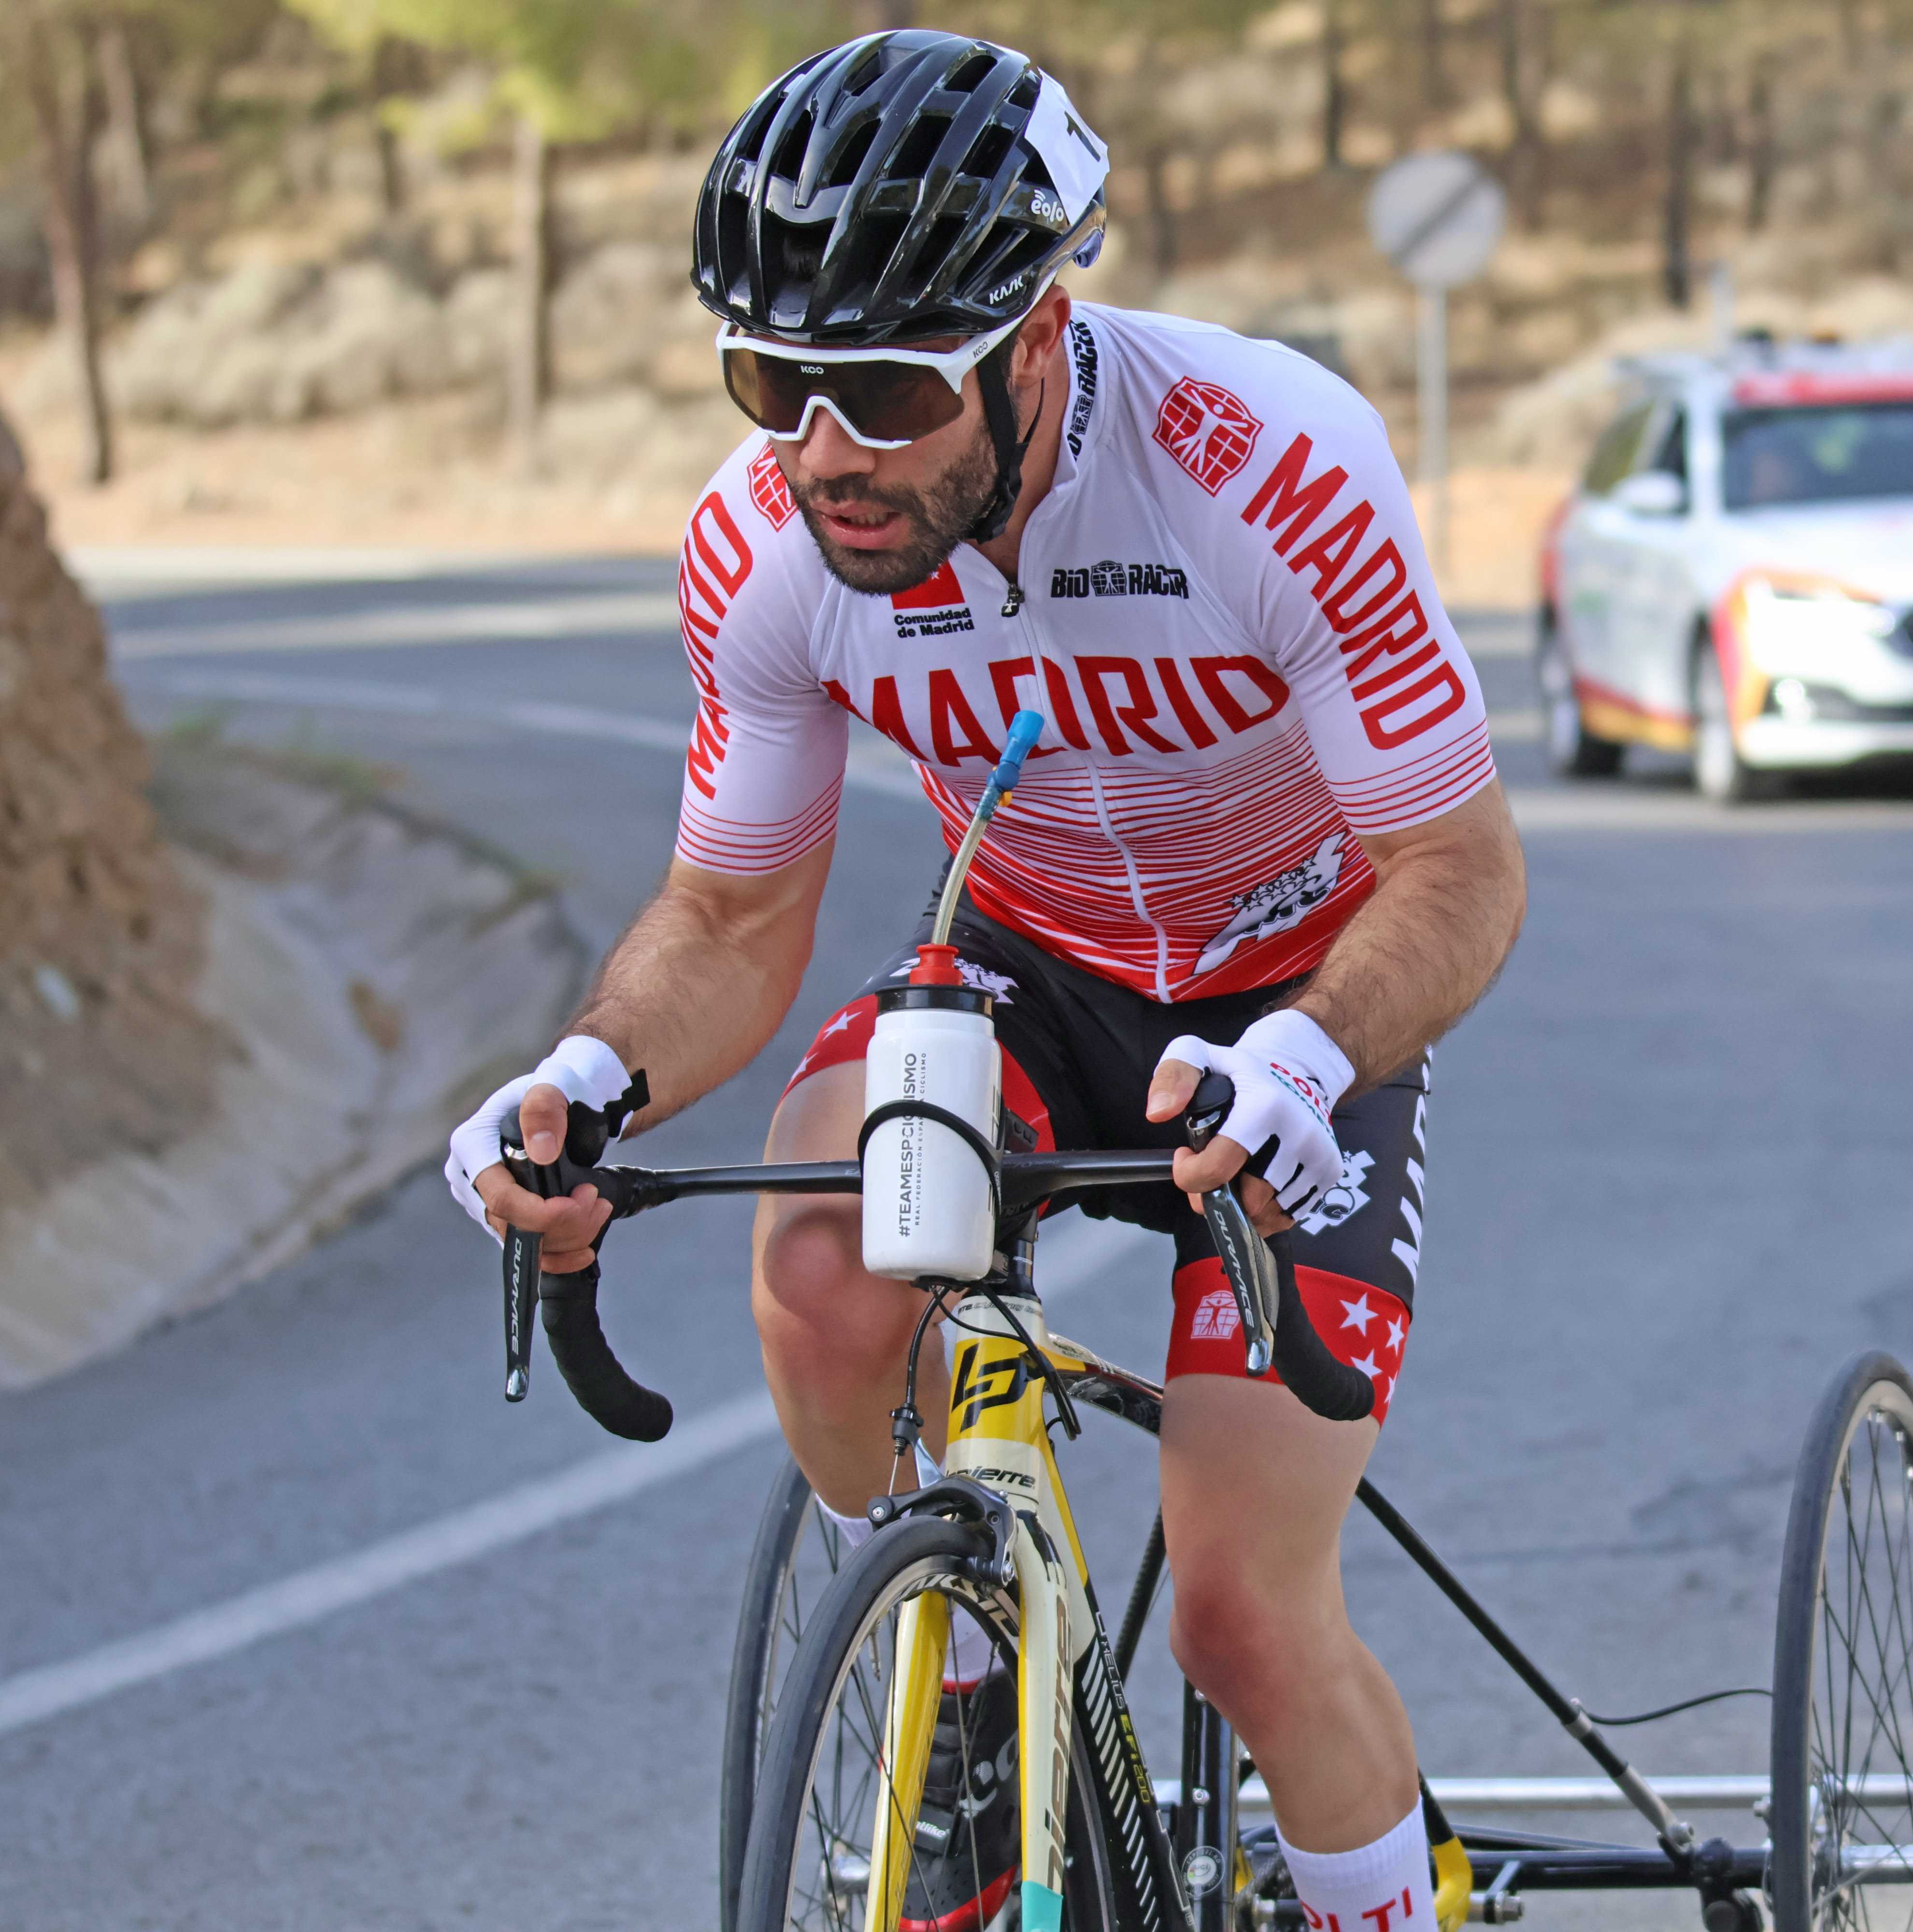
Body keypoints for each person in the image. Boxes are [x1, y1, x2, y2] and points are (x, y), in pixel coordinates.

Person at [440, 32, 1525, 1932]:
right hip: (1017, 970)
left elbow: (1460, 871)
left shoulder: (1265, 469)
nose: (823, 451)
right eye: (770, 379)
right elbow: (730, 917)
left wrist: (1304, 1054)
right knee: (821, 1268)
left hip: (1299, 1006)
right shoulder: (768, 545)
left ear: (1037, 336)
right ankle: (951, 1665)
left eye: (877, 388)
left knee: (1244, 1615)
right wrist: (591, 1077)